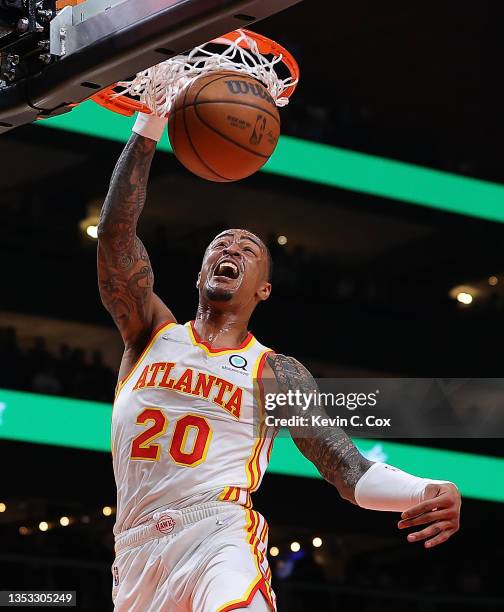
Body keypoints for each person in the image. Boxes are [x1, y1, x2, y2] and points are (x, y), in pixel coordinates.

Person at [97, 113, 461, 611]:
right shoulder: (149, 333)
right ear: (201, 271)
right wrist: (149, 124)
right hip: (135, 551)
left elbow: (345, 468)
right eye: (220, 244)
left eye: (248, 249)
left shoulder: (273, 370)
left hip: (217, 533)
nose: (232, 248)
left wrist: (427, 489)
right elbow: (116, 238)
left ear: (263, 288)